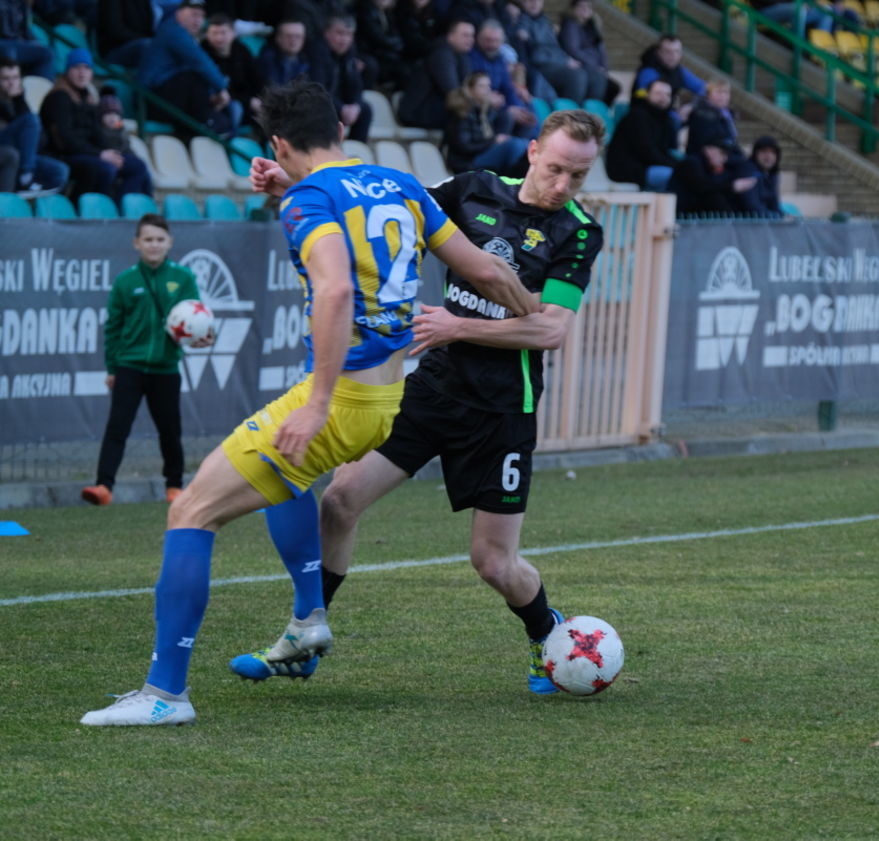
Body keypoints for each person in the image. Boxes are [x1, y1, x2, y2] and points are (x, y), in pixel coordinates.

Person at [79, 79, 537, 726]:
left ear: (279, 143)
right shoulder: (399, 183)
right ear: (342, 133)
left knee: (192, 514)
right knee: (284, 476)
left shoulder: (308, 200)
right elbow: (486, 270)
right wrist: (532, 314)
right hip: (386, 396)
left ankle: (164, 694)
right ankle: (308, 615)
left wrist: (317, 402)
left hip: (343, 396)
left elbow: (335, 291)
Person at [226, 109, 606, 697]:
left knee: (493, 564)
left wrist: (459, 327)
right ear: (532, 151)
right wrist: (293, 183)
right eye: (556, 169)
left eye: (577, 177)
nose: (563, 186)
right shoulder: (472, 190)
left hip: (502, 410)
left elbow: (550, 329)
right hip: (430, 389)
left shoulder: (578, 232)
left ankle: (546, 632)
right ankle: (306, 635)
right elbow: (379, 206)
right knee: (341, 500)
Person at [80, 215, 210, 508]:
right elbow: (113, 328)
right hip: (130, 366)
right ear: (136, 243)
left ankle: (174, 486)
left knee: (170, 429)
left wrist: (203, 336)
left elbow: (197, 318)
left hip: (166, 368)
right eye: (148, 240)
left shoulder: (183, 278)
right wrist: (112, 368)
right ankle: (103, 486)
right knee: (118, 427)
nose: (154, 245)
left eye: (160, 240)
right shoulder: (126, 281)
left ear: (170, 243)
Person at [40, 49, 154, 200]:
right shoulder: (58, 97)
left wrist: (111, 152)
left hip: (89, 153)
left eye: (86, 68)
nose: (82, 73)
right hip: (63, 155)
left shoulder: (88, 98)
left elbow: (96, 133)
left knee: (137, 166)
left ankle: (125, 210)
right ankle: (89, 210)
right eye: (77, 68)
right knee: (105, 169)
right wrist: (100, 154)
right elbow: (65, 140)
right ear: (68, 71)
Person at [137, 0, 234, 137]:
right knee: (191, 78)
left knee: (227, 107)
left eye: (201, 16)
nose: (198, 21)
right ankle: (207, 124)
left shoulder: (185, 34)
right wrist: (221, 88)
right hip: (150, 101)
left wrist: (214, 93)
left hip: (167, 98)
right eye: (194, 15)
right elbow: (200, 62)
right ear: (179, 14)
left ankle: (211, 125)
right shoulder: (173, 31)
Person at [0, 59, 69, 195]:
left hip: (20, 156)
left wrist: (19, 99)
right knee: (30, 120)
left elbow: (39, 139)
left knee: (60, 170)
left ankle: (25, 181)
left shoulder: (17, 100)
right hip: (5, 149)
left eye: (15, 78)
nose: (11, 83)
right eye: (5, 78)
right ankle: (26, 177)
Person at [444, 70, 528, 174]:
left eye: (488, 86)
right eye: (481, 86)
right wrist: (494, 141)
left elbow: (503, 122)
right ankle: (511, 183)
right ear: (470, 90)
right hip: (466, 162)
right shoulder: (462, 111)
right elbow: (464, 147)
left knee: (524, 143)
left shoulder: (485, 110)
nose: (487, 90)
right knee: (514, 145)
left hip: (481, 154)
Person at [398, 18, 475, 129]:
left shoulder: (462, 55)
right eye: (465, 35)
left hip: (433, 109)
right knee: (465, 115)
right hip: (418, 111)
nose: (470, 40)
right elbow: (452, 90)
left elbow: (467, 85)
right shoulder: (441, 54)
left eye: (472, 36)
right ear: (451, 35)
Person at [604, 77, 677, 190]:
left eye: (667, 95)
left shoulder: (666, 120)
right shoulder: (637, 116)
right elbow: (647, 151)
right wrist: (676, 166)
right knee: (675, 176)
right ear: (647, 94)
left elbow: (668, 149)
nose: (663, 98)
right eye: (658, 93)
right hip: (629, 170)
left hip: (648, 167)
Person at [309, 15, 373, 142]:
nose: (344, 39)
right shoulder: (315, 51)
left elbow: (357, 85)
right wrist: (341, 108)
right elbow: (318, 88)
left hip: (339, 106)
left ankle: (357, 152)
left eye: (349, 34)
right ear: (326, 33)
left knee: (365, 109)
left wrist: (355, 106)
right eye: (340, 33)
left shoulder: (349, 53)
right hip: (320, 105)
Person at [470, 18, 537, 136]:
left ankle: (529, 150)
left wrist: (517, 107)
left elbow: (508, 88)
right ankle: (503, 150)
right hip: (482, 106)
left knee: (528, 113)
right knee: (508, 116)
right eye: (488, 40)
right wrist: (508, 109)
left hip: (500, 103)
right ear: (478, 38)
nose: (492, 45)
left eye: (496, 41)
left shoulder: (499, 59)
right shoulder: (470, 57)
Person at [512, 0, 589, 103]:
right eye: (530, 0)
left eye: (538, 1)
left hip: (554, 61)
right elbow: (537, 54)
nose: (534, 3)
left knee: (591, 76)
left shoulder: (545, 21)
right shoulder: (520, 21)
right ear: (523, 2)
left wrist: (567, 59)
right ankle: (569, 115)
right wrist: (564, 61)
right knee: (576, 76)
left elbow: (554, 47)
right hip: (540, 66)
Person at [202, 12, 264, 133]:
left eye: (223, 33)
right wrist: (248, 101)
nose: (219, 38)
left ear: (233, 34)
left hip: (245, 99)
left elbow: (256, 79)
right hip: (218, 103)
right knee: (236, 108)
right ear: (207, 35)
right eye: (214, 33)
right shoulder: (203, 52)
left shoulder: (241, 50)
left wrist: (258, 100)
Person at [669, 138, 758, 216]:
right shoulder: (691, 164)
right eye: (722, 153)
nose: (725, 159)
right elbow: (703, 187)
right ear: (708, 149)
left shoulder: (707, 167)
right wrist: (732, 186)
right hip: (683, 218)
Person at [558, 0, 618, 105]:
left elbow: (601, 49)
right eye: (581, 6)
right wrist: (595, 66)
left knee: (614, 87)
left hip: (593, 67)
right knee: (597, 80)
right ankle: (589, 112)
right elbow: (573, 50)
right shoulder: (570, 24)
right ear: (573, 9)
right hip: (581, 66)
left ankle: (598, 112)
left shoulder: (592, 26)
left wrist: (604, 67)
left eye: (588, 7)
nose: (585, 9)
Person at [0, 0, 56, 80]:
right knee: (9, 51)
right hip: (4, 42)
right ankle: (9, 89)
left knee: (46, 53)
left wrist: (35, 43)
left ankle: (42, 89)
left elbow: (26, 30)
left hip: (15, 42)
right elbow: (6, 32)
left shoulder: (22, 4)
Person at [96, 0, 156, 67]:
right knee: (148, 46)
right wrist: (148, 39)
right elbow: (116, 31)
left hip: (140, 43)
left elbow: (150, 28)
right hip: (114, 49)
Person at [256, 19, 311, 90]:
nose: (293, 40)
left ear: (303, 39)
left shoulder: (307, 61)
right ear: (278, 38)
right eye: (289, 36)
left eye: (298, 36)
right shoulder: (266, 60)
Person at [747, 134, 783, 217]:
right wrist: (776, 216)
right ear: (755, 153)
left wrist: (782, 216)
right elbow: (752, 206)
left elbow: (774, 203)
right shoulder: (748, 171)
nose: (768, 156)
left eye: (772, 152)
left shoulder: (772, 174)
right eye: (764, 151)